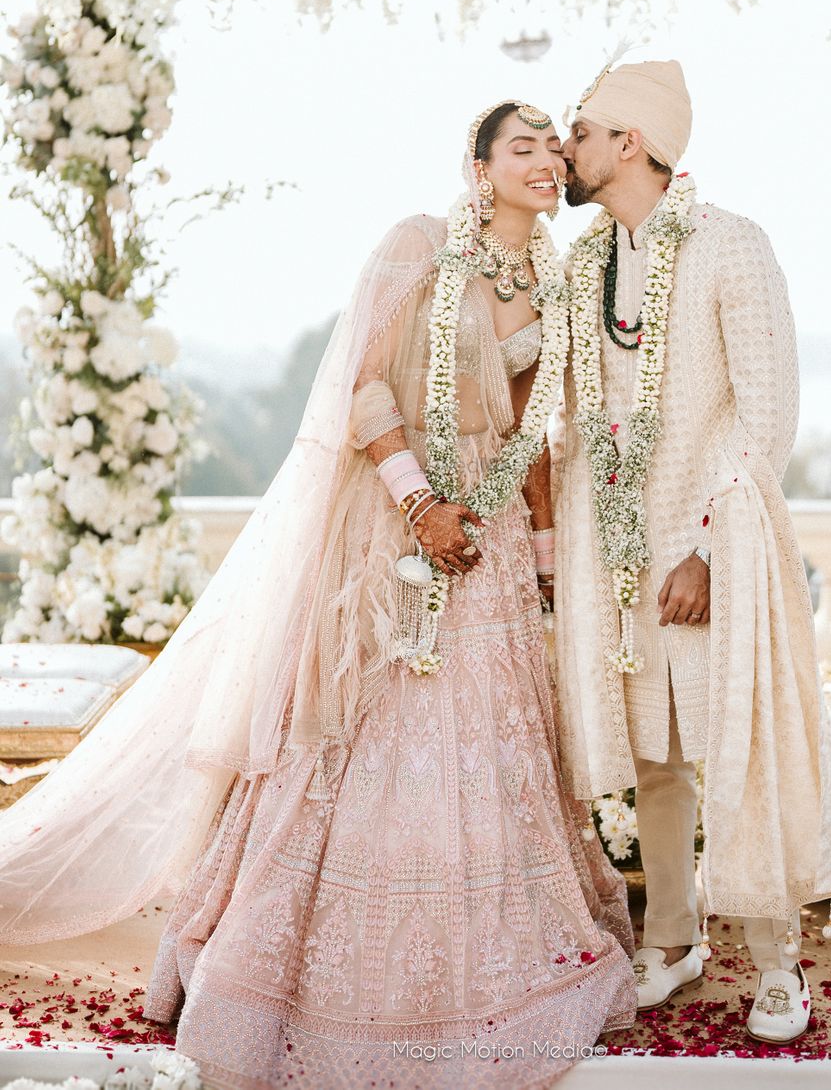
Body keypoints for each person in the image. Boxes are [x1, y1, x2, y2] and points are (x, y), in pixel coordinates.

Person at [0, 101, 635, 1087]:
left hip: (493, 528)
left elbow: (531, 424)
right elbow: (362, 384)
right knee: (368, 733)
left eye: (555, 149)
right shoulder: (417, 245)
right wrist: (416, 499)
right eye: (523, 147)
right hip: (398, 520)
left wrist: (543, 556)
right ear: (476, 164)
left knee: (493, 735)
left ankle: (495, 966)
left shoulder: (553, 276)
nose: (547, 161)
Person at [551, 59, 831, 1045]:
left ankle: (776, 960)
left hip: (717, 542)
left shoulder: (732, 246)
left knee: (741, 746)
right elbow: (565, 403)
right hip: (618, 551)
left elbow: (767, 415)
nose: (568, 146)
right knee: (655, 758)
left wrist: (708, 552)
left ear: (629, 144)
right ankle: (673, 938)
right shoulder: (583, 262)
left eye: (582, 129)